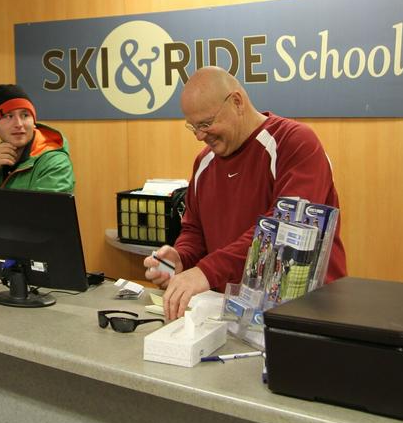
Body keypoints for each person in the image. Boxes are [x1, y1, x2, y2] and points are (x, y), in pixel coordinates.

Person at [143, 66, 347, 320]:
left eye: (206, 124)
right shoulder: (204, 162)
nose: (199, 136)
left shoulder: (294, 143)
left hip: (306, 314)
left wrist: (206, 272)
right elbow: (194, 230)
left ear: (237, 102)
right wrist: (181, 257)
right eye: (192, 127)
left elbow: (282, 234)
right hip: (235, 315)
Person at [0, 84, 74, 216]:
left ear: (33, 122)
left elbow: (41, 217)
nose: (19, 124)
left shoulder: (55, 161)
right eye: (9, 116)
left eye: (25, 115)